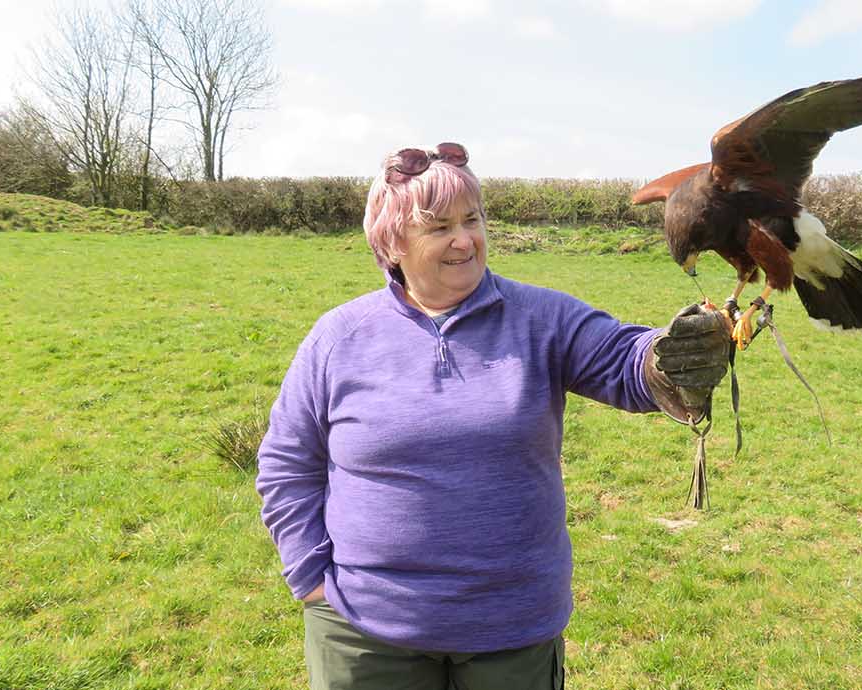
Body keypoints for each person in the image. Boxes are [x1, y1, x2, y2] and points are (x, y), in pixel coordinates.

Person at [256, 143, 730, 689]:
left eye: (473, 219)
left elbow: (623, 357)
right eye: (438, 227)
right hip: (366, 632)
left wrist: (669, 360)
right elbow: (286, 463)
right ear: (392, 240)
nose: (465, 240)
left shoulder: (540, 318)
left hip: (511, 627)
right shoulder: (340, 337)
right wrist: (309, 574)